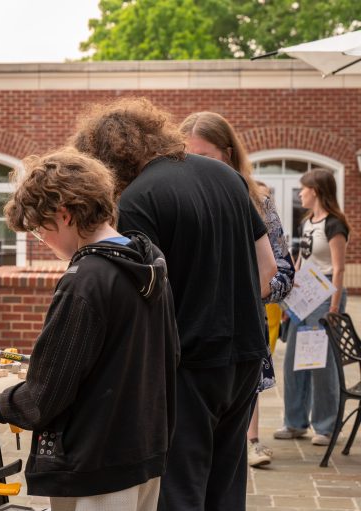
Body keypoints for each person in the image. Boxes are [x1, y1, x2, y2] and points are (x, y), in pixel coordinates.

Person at [72, 97, 277, 511]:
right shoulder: (227, 176)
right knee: (227, 485)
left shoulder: (136, 201)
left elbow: (137, 300)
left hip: (187, 362)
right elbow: (268, 268)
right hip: (246, 354)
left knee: (180, 489)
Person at [0, 148, 179, 511]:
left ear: (63, 214)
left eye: (38, 230)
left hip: (94, 460)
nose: (42, 241)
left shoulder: (85, 280)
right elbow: (171, 353)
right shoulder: (146, 264)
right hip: (144, 448)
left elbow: (47, 393)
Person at [180, 111, 295, 468]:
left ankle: (253, 441)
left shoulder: (256, 198)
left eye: (207, 156)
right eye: (189, 157)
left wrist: (246, 291)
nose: (197, 166)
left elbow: (285, 273)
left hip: (242, 332)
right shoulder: (177, 197)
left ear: (228, 154)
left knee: (226, 456)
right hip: (192, 336)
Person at [274, 168, 350, 446]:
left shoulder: (335, 224)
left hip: (326, 295)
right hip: (305, 294)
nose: (301, 193)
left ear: (315, 191)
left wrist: (333, 308)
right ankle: (295, 422)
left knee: (321, 362)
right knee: (296, 358)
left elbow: (339, 269)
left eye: (304, 189)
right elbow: (303, 260)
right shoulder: (308, 222)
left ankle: (326, 426)